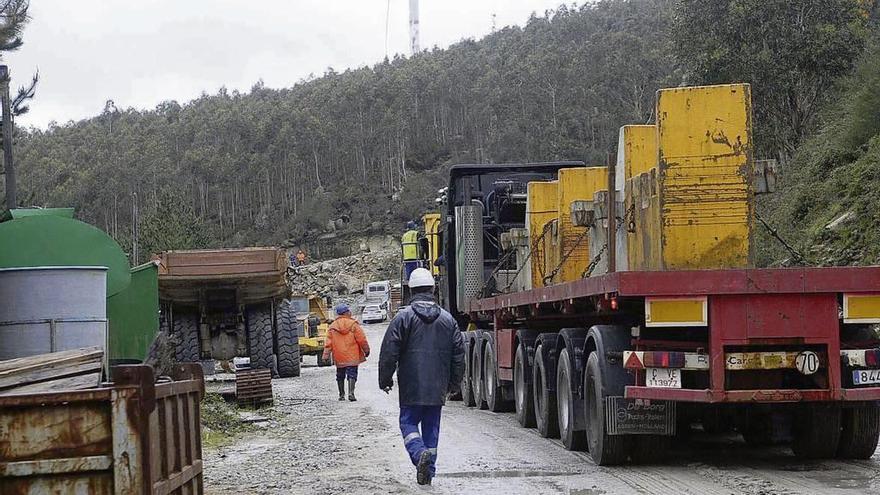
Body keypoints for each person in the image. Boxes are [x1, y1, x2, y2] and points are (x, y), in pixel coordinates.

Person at [378, 268, 465, 486]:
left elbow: (389, 352)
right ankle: (428, 472)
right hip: (438, 387)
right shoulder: (448, 320)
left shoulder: (403, 318)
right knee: (431, 428)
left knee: (408, 423)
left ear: (411, 290)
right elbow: (458, 356)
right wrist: (454, 384)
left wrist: (385, 379)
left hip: (411, 386)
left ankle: (419, 455)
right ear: (433, 289)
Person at [322, 303, 370, 401]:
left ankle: (341, 395)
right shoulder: (353, 324)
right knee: (352, 373)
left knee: (340, 374)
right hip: (352, 355)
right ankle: (351, 393)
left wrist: (325, 355)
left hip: (339, 356)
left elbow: (328, 343)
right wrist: (366, 350)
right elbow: (362, 339)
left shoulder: (332, 327)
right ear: (347, 312)